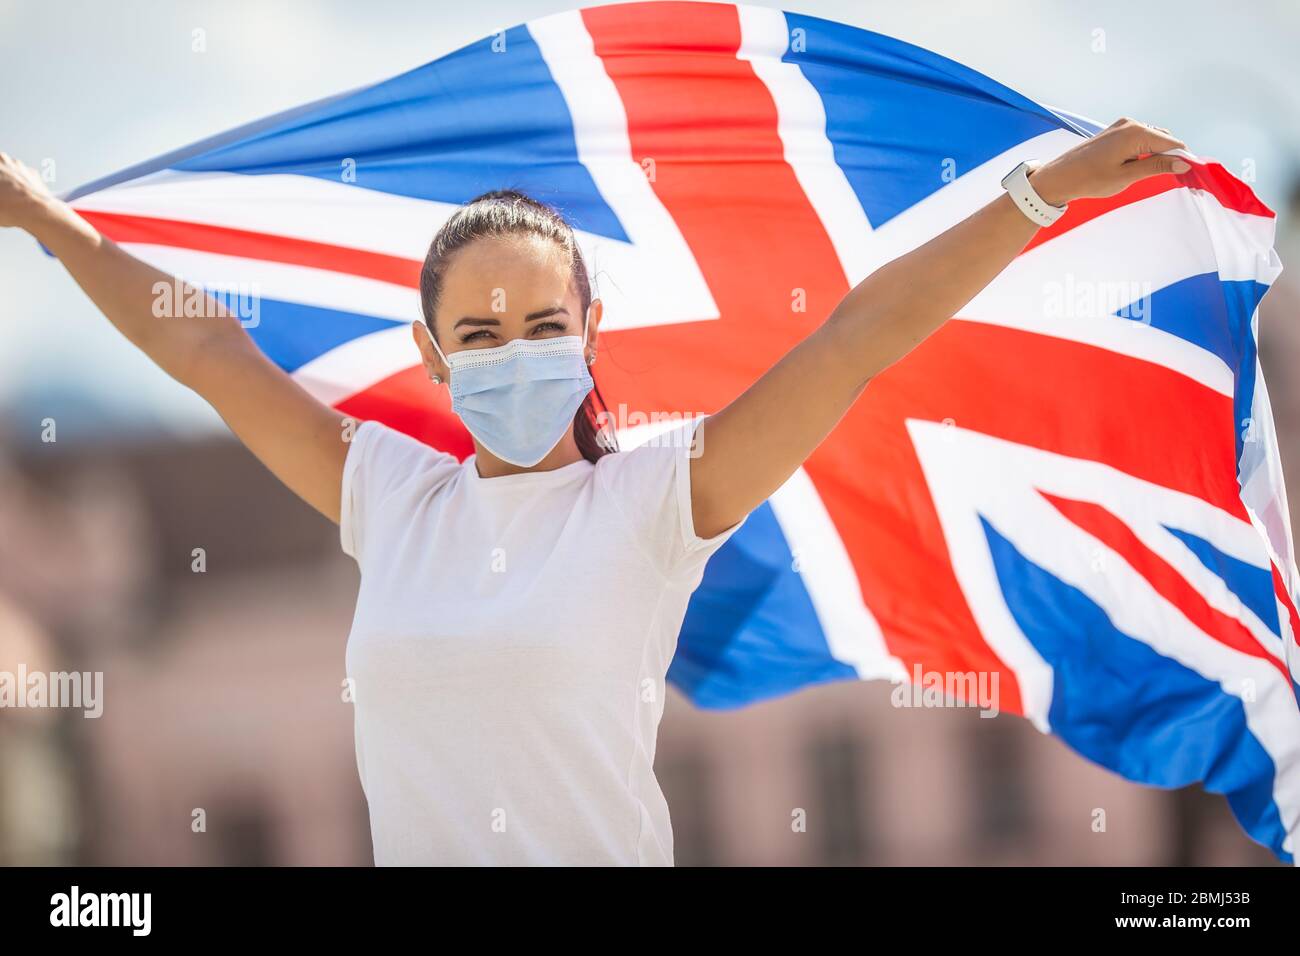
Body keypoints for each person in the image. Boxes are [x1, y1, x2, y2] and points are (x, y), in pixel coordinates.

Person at [0, 119, 1190, 865]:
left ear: (590, 330)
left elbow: (855, 338)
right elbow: (208, 351)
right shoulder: (387, 494)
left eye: (540, 321)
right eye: (477, 328)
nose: (511, 346)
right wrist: (38, 215)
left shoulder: (658, 499)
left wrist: (1045, 192)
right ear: (430, 354)